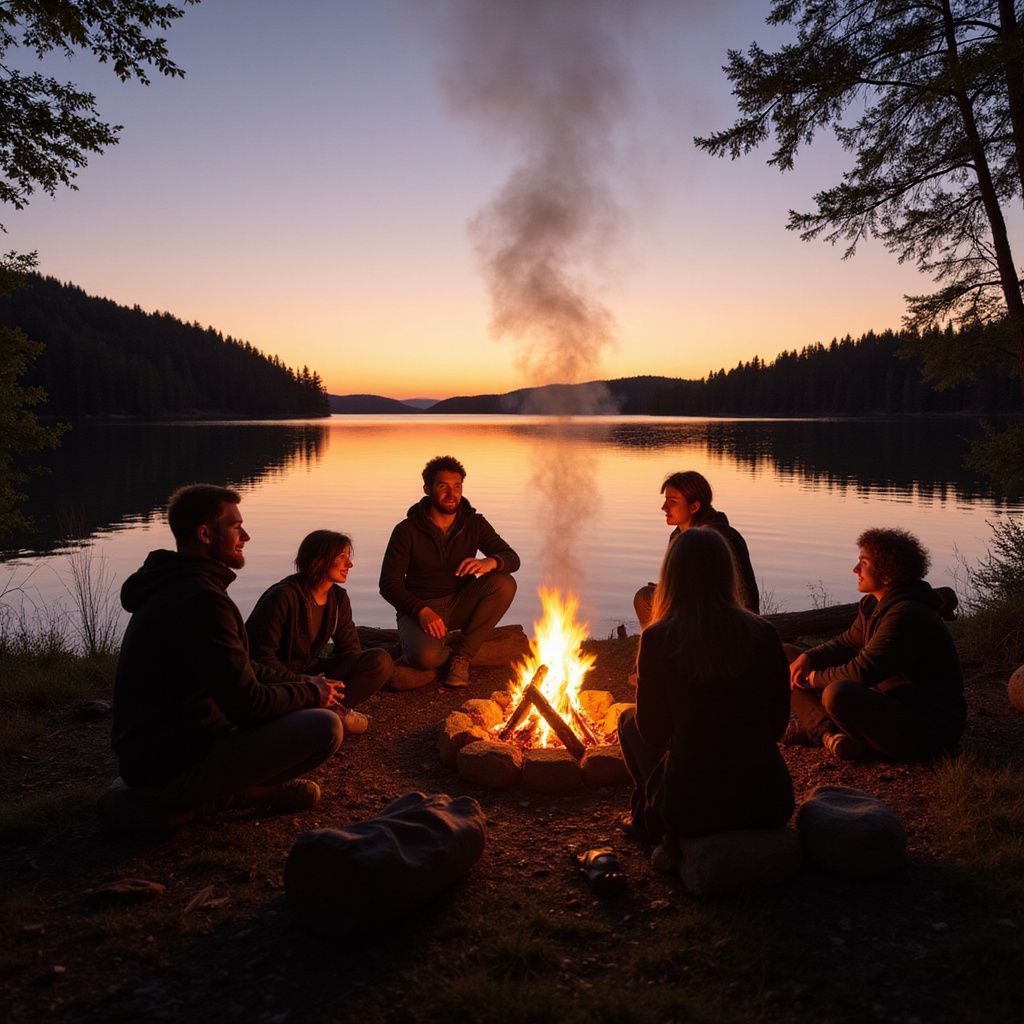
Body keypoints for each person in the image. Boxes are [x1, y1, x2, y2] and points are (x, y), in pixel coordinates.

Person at [100, 484, 344, 833]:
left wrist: (304, 683)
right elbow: (249, 704)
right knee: (325, 728)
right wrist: (312, 695)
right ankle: (220, 799)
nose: (245, 535)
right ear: (204, 534)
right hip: (170, 765)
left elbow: (243, 667)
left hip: (153, 756)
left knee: (307, 704)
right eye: (235, 527)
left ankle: (209, 797)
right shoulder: (201, 600)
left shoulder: (178, 584)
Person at [618, 528, 793, 861]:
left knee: (628, 721)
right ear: (727, 573)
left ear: (670, 575)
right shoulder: (764, 633)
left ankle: (650, 819)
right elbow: (777, 725)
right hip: (769, 802)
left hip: (692, 811)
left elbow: (653, 734)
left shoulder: (658, 638)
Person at [787, 528, 965, 762]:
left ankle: (840, 736)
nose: (855, 569)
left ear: (887, 575)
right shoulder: (875, 605)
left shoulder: (907, 615)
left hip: (924, 730)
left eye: (864, 563)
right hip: (889, 706)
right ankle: (830, 734)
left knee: (837, 693)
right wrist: (809, 658)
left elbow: (862, 671)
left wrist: (812, 679)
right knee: (786, 655)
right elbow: (847, 643)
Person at [379, 455, 519, 687]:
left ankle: (462, 657)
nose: (451, 493)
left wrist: (490, 562)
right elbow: (388, 585)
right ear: (427, 489)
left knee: (505, 583)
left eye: (457, 486)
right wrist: (421, 611)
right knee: (425, 657)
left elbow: (512, 558)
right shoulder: (406, 531)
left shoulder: (474, 523)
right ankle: (428, 647)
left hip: (460, 602)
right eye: (443, 486)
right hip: (420, 609)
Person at [246, 531, 394, 733]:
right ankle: (322, 717)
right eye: (341, 557)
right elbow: (260, 658)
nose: (349, 564)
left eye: (348, 557)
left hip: (311, 671)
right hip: (277, 680)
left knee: (380, 661)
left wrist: (328, 681)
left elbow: (349, 649)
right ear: (318, 561)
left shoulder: (338, 598)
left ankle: (332, 711)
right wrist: (305, 683)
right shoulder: (283, 597)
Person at [633, 470, 759, 629]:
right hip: (695, 611)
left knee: (647, 599)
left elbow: (737, 597)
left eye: (672, 501)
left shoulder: (721, 539)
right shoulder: (678, 535)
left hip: (726, 620)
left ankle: (672, 650)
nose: (664, 508)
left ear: (694, 507)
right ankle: (661, 649)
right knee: (645, 598)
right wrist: (666, 589)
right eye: (666, 501)